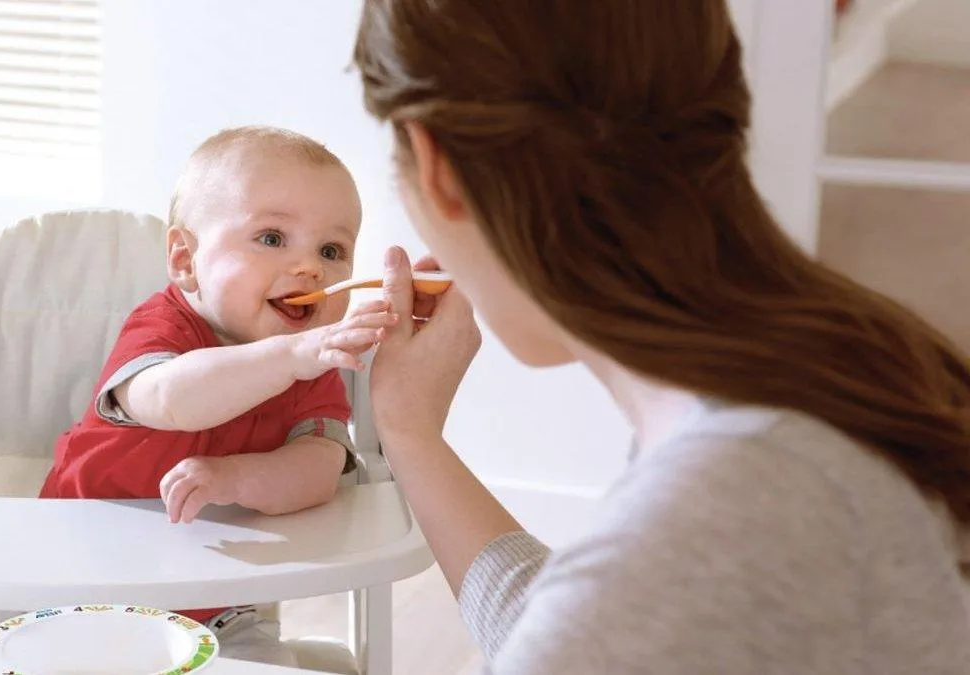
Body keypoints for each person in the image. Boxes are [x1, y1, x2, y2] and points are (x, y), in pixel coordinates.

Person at [352, 1, 970, 673]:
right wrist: (409, 428)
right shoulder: (841, 357)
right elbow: (612, 627)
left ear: (434, 163)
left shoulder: (737, 504)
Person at [40, 125, 396, 666]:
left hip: (216, 605)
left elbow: (320, 469)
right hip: (77, 585)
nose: (310, 268)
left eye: (331, 250)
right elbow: (170, 399)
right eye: (272, 238)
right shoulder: (163, 328)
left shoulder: (311, 362)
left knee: (264, 662)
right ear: (185, 260)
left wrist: (235, 478)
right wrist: (292, 356)